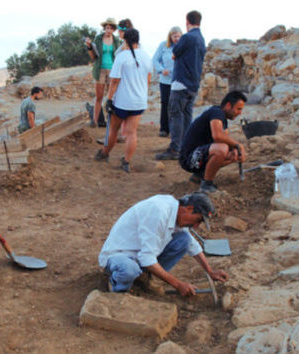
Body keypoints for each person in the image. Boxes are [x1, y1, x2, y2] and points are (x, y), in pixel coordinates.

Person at [98, 193, 228, 294]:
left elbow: (192, 245)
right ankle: (117, 287)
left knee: (184, 240)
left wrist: (210, 271)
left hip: (141, 255)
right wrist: (178, 285)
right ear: (189, 208)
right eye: (198, 220)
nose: (196, 226)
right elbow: (147, 258)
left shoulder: (176, 211)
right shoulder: (159, 212)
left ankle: (145, 278)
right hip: (120, 256)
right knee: (129, 270)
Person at [93, 28, 152, 173]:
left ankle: (105, 153)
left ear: (125, 40)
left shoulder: (122, 57)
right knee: (132, 133)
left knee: (113, 129)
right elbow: (148, 79)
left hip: (122, 101)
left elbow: (114, 81)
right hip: (139, 101)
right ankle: (126, 161)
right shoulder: (146, 56)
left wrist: (109, 99)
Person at [156, 10, 206, 161]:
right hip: (193, 84)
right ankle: (185, 146)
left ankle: (175, 148)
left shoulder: (187, 37)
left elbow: (174, 52)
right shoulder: (201, 39)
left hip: (181, 82)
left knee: (175, 114)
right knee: (186, 115)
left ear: (187, 22)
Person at [179, 91, 248, 194]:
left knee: (232, 154)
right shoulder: (216, 112)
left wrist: (236, 150)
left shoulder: (223, 119)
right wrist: (239, 145)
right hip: (189, 159)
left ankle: (199, 175)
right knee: (222, 149)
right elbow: (218, 136)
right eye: (238, 109)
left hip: (197, 158)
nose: (240, 113)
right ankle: (207, 185)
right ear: (229, 105)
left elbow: (225, 138)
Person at [85, 18, 121, 128]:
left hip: (112, 70)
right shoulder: (98, 39)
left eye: (110, 28)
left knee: (111, 97)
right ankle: (95, 121)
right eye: (107, 28)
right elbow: (93, 57)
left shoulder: (116, 41)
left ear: (113, 29)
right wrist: (89, 46)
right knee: (99, 96)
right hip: (100, 69)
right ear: (104, 28)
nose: (108, 30)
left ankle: (111, 121)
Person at [152, 26, 183, 138]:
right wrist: (161, 69)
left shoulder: (183, 47)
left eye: (178, 36)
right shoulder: (163, 46)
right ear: (170, 36)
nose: (176, 38)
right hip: (165, 80)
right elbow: (155, 59)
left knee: (177, 105)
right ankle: (164, 129)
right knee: (165, 104)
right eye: (174, 36)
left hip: (178, 80)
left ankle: (176, 130)